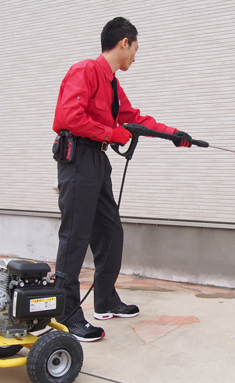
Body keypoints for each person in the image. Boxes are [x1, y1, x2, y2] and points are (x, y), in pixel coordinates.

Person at [52, 16, 194, 342]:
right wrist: (112, 133)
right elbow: (69, 117)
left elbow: (133, 119)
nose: (135, 56)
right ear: (123, 43)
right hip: (78, 161)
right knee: (75, 236)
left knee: (111, 232)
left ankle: (105, 300)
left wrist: (172, 134)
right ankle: (68, 312)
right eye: (135, 49)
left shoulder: (113, 84)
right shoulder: (85, 71)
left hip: (97, 162)